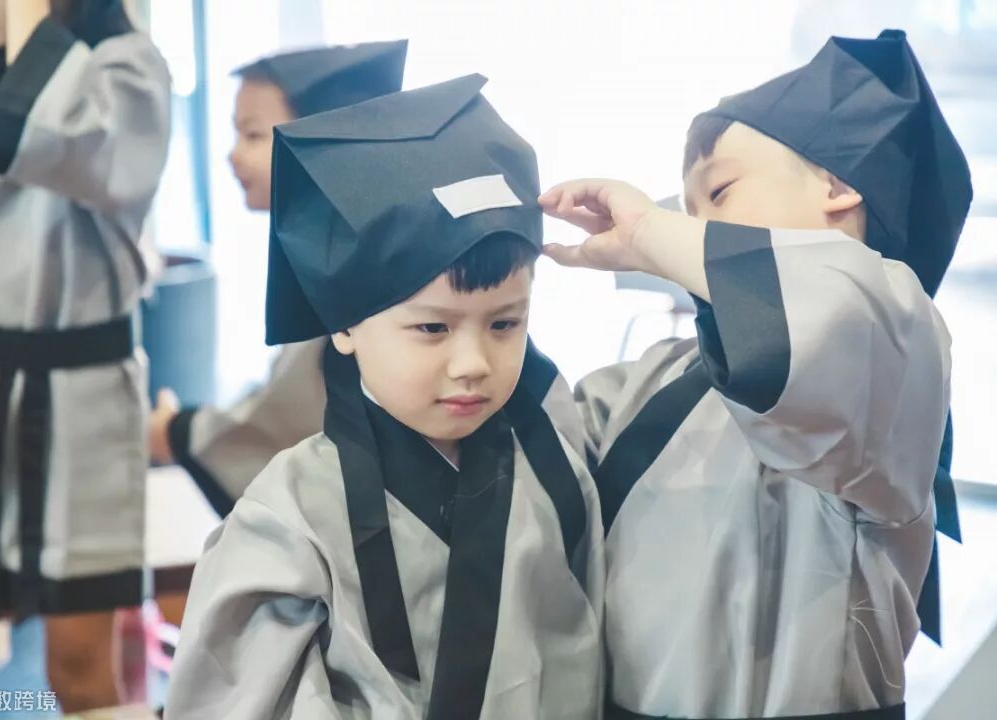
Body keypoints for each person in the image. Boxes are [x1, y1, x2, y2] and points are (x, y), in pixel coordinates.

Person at [539, 29, 967, 720]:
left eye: (719, 191)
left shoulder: (894, 337)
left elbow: (830, 310)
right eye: (689, 213)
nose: (695, 230)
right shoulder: (654, 376)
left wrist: (649, 233)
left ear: (836, 185)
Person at [164, 74, 604, 719]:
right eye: (433, 328)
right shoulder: (289, 517)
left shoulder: (557, 464)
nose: (473, 364)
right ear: (343, 325)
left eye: (505, 323)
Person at [0, 0, 170, 714]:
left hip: (81, 402)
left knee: (80, 669)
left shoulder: (130, 72)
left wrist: (30, 33)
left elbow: (55, 135)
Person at [149, 40, 408, 519]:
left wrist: (177, 432)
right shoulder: (337, 243)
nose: (232, 156)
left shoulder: (356, 262)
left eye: (252, 135)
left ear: (320, 143)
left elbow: (287, 419)